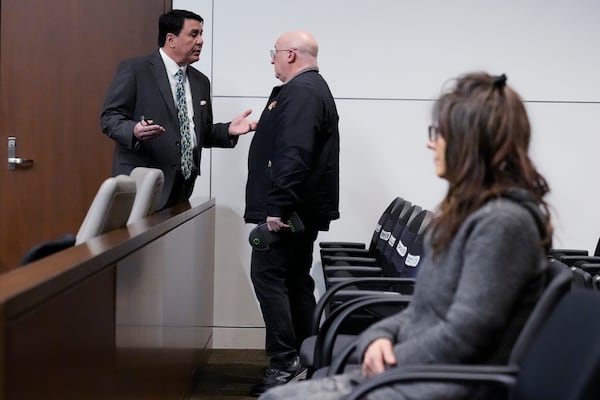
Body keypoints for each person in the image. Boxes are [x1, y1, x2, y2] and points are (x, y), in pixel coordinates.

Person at [259, 72, 553, 400]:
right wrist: (380, 336)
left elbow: (466, 336)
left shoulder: (503, 224)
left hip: (445, 383)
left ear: (471, 141)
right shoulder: (470, 215)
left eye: (439, 132)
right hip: (417, 372)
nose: (431, 142)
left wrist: (391, 361)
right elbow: (422, 311)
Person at [244, 31, 340, 396]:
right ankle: (305, 356)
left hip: (288, 212)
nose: (271, 60)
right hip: (299, 210)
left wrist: (277, 207)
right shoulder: (310, 90)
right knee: (296, 281)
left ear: (291, 55)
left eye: (274, 54)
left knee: (269, 278)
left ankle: (285, 362)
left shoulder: (302, 92)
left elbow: (294, 154)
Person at [100, 9, 257, 210]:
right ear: (171, 39)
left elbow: (198, 132)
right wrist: (134, 131)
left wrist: (227, 130)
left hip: (183, 187)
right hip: (143, 185)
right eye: (194, 34)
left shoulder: (201, 81)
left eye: (201, 34)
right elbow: (110, 118)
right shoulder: (136, 70)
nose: (201, 41)